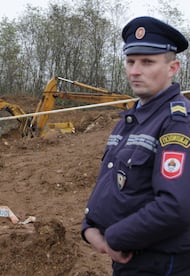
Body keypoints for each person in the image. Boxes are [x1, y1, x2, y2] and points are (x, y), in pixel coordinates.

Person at [81, 16, 190, 275]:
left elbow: (175, 207)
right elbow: (112, 183)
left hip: (159, 263)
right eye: (130, 61)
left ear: (173, 68)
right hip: (128, 257)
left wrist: (114, 238)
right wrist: (89, 226)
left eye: (147, 62)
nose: (134, 71)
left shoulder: (177, 122)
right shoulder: (131, 119)